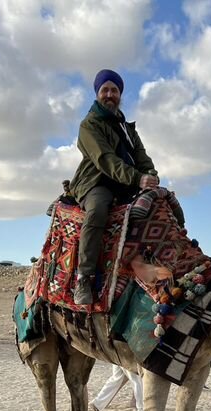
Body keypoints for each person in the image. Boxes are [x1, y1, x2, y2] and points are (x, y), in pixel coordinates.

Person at [70, 69, 159, 305]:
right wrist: (138, 179)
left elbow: (142, 157)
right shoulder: (89, 125)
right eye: (105, 90)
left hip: (126, 183)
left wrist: (151, 176)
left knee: (166, 204)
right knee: (98, 209)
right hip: (97, 181)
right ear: (97, 93)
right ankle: (84, 277)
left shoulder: (128, 129)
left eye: (114, 90)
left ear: (120, 94)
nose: (109, 94)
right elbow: (105, 159)